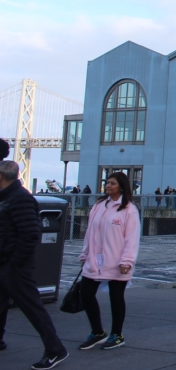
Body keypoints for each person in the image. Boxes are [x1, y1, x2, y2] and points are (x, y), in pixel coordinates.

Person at [0, 157, 70, 368]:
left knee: (32, 308)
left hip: (14, 266)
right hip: (6, 262)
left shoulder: (20, 198)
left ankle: (55, 350)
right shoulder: (6, 198)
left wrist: (15, 263)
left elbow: (30, 233)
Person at [77, 171, 141, 351]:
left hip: (117, 262)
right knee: (86, 293)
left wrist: (127, 261)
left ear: (121, 186)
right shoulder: (99, 205)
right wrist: (85, 254)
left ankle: (117, 335)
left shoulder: (129, 209)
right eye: (107, 182)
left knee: (116, 297)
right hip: (94, 260)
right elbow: (90, 232)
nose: (108, 185)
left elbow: (132, 238)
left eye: (112, 183)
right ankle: (97, 332)